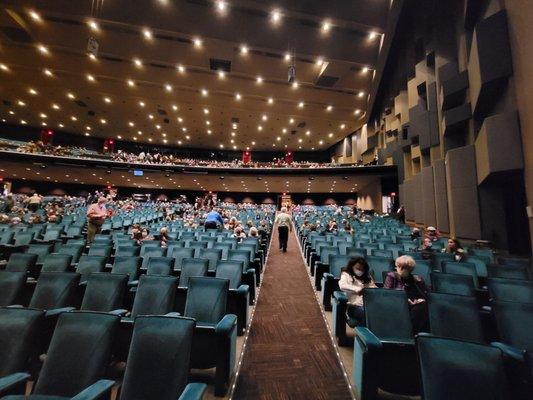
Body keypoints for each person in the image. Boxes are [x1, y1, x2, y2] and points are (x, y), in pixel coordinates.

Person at [384, 255, 429, 333]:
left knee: (423, 307)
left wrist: (422, 300)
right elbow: (386, 295)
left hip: (415, 306)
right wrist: (405, 300)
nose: (400, 269)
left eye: (404, 267)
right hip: (396, 305)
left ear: (410, 269)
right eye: (399, 266)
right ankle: (409, 332)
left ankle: (413, 333)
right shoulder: (391, 276)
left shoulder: (417, 279)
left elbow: (426, 294)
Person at [338, 258, 377, 326]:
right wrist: (357, 289)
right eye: (358, 268)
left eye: (362, 269)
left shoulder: (367, 277)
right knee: (367, 315)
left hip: (368, 305)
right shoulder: (346, 274)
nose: (360, 271)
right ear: (352, 266)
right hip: (353, 306)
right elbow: (342, 285)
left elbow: (373, 287)